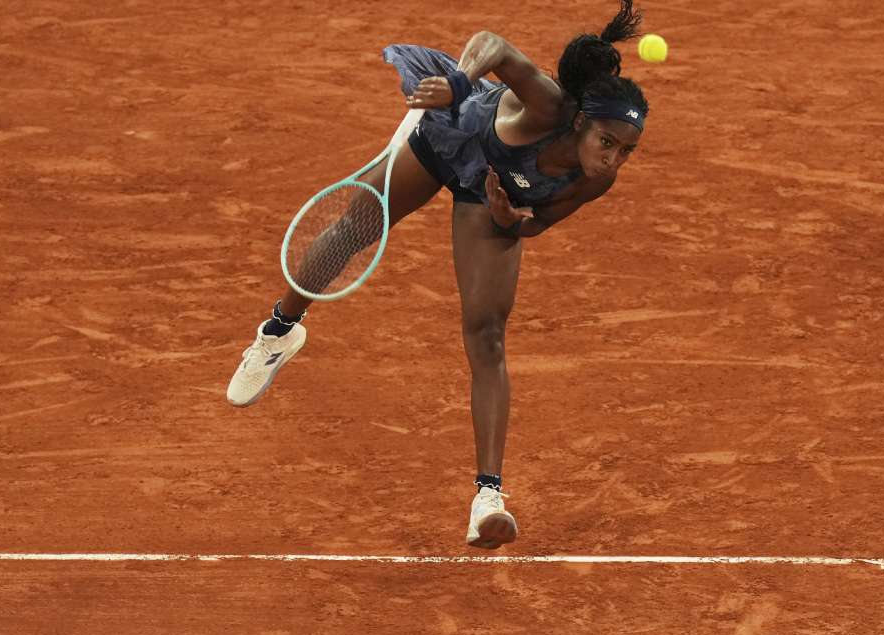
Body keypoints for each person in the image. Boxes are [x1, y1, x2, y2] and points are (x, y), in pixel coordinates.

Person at [226, 0, 650, 549]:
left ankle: (487, 498)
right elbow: (493, 43)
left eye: (627, 151)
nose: (613, 159)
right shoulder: (546, 105)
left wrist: (508, 219)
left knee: (487, 334)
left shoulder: (596, 181)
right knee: (357, 226)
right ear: (580, 122)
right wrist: (458, 81)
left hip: (488, 193)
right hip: (452, 140)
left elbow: (537, 223)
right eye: (607, 143)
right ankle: (278, 332)